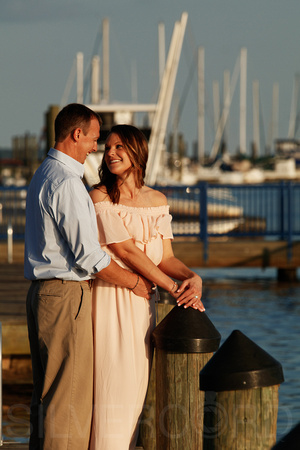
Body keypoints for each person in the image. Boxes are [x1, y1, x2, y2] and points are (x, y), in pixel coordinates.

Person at [24, 104, 153, 450]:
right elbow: (89, 256)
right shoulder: (66, 182)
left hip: (43, 294)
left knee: (48, 398)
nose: (97, 148)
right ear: (76, 134)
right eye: (96, 139)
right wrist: (136, 283)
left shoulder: (44, 172)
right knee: (68, 403)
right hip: (66, 295)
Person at [89, 124, 205, 449]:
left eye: (118, 147)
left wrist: (190, 278)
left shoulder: (157, 200)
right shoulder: (100, 196)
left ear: (137, 151)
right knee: (112, 392)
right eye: (107, 148)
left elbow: (166, 256)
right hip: (111, 303)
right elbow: (124, 250)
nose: (110, 153)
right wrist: (171, 286)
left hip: (143, 306)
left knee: (135, 394)